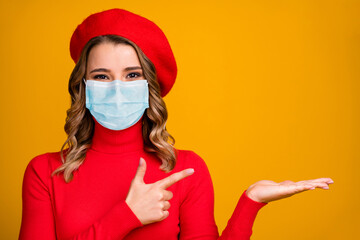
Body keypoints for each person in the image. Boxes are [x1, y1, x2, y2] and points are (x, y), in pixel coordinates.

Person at [19, 8, 334, 240]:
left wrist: (250, 202)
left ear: (149, 88)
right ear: (83, 87)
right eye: (102, 76)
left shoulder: (184, 170)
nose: (116, 87)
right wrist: (126, 216)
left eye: (132, 75)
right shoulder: (44, 173)